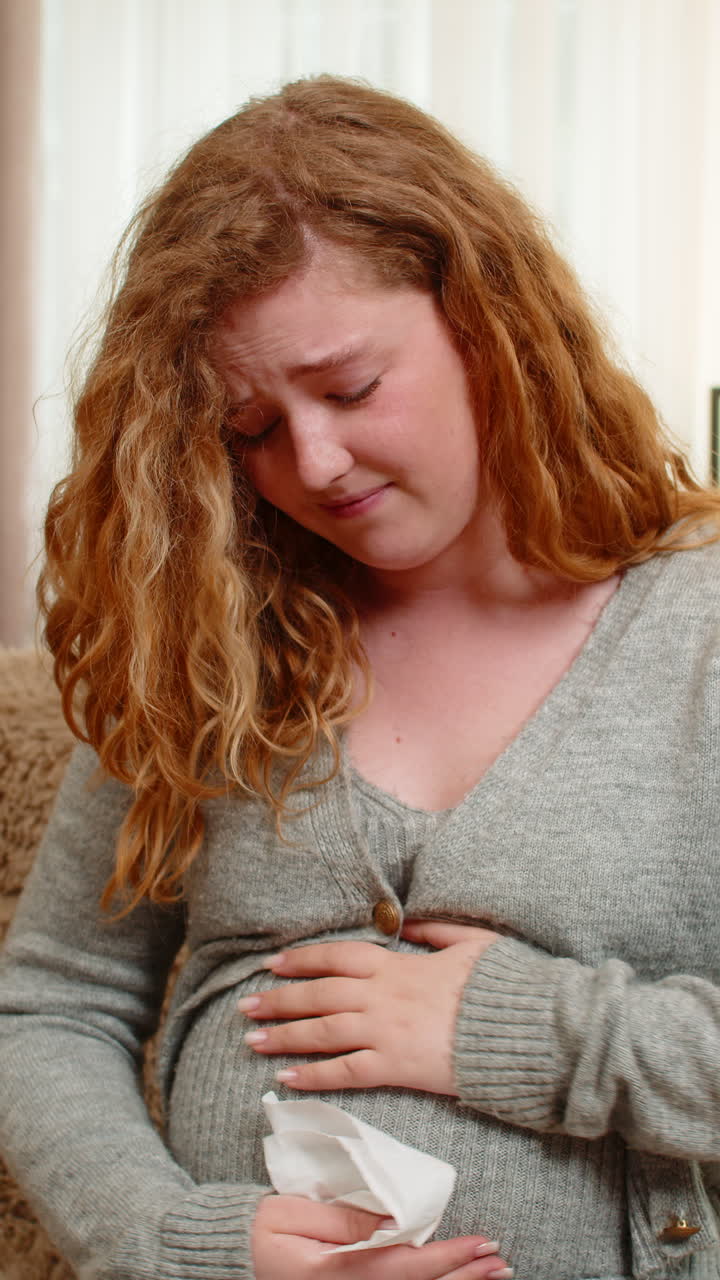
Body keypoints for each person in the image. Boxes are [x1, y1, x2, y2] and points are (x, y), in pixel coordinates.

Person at [1, 74, 719, 1280]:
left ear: (489, 322)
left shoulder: (696, 632)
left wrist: (516, 1031)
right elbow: (52, 1007)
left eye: (348, 388)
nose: (315, 462)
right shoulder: (205, 633)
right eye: (251, 429)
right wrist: (185, 1243)